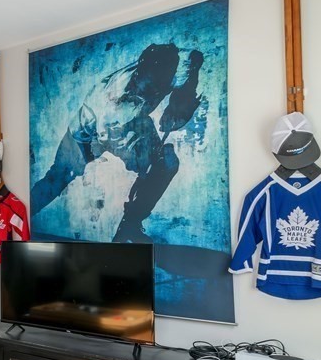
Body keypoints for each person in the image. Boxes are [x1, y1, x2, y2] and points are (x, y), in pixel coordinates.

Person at [30, 43, 204, 243]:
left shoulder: (171, 63)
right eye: (146, 89)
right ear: (138, 76)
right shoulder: (110, 103)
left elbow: (195, 58)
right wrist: (141, 162)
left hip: (134, 121)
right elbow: (107, 139)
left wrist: (180, 103)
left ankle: (130, 225)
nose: (152, 94)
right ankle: (24, 215)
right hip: (88, 133)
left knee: (165, 163)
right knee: (58, 176)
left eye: (157, 89)